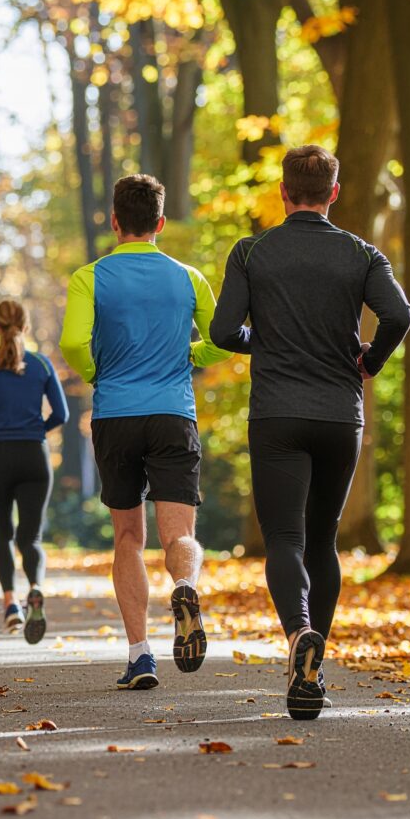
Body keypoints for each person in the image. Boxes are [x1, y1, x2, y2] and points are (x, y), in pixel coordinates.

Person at [210, 144, 410, 720]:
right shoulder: (361, 253)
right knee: (323, 541)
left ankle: (300, 635)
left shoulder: (252, 251)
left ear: (283, 191)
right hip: (339, 414)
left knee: (284, 540)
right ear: (334, 193)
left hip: (276, 414)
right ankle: (313, 672)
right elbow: (398, 316)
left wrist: (264, 341)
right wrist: (370, 361)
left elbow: (223, 332)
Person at [60, 174, 234, 690]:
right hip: (173, 414)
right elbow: (222, 339)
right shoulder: (188, 277)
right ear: (160, 223)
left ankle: (140, 656)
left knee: (128, 538)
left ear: (115, 222)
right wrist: (190, 355)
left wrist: (97, 372)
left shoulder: (89, 277)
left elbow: (72, 343)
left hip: (115, 415)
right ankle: (184, 584)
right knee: (179, 534)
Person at [0, 299, 68, 642]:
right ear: (26, 327)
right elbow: (62, 414)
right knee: (30, 537)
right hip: (34, 455)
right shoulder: (42, 364)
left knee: (3, 534)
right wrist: (38, 430)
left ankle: (10, 603)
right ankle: (35, 587)